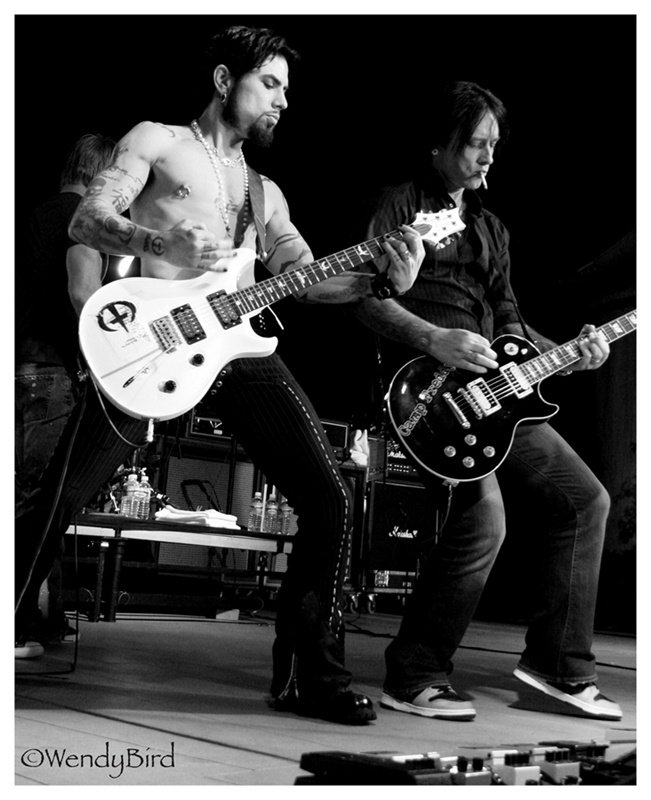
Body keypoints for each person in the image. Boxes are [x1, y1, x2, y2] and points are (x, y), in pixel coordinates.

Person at [63, 25, 424, 724]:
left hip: (233, 353)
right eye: (271, 84)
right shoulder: (158, 140)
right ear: (226, 80)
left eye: (288, 89)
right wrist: (155, 239)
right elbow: (89, 218)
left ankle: (310, 679)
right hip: (146, 348)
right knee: (59, 501)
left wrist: (381, 279)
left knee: (330, 497)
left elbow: (307, 278)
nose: (283, 101)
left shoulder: (267, 193)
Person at [357, 80, 622, 722]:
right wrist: (434, 338)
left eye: (494, 145)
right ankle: (414, 674)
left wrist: (571, 350)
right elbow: (365, 297)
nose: (487, 156)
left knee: (586, 500)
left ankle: (557, 667)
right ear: (440, 143)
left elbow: (510, 323)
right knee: (485, 520)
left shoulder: (492, 228)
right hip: (426, 394)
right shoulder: (401, 203)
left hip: (497, 394)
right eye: (476, 143)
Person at [15, 133, 116, 658]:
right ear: (102, 175)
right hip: (52, 371)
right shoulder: (85, 218)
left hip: (21, 362)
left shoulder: (38, 212)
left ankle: (39, 617)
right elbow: (83, 294)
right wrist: (110, 354)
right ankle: (15, 621)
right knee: (34, 499)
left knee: (29, 495)